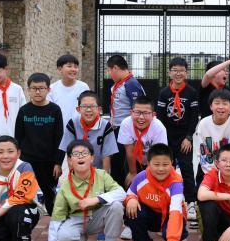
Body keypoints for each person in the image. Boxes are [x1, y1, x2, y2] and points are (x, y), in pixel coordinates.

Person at [39, 140, 126, 241]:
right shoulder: (64, 186)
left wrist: (96, 199)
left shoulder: (101, 175)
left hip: (97, 217)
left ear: (92, 158)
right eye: (75, 154)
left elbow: (121, 193)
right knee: (64, 239)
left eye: (85, 153)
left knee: (117, 206)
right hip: (77, 220)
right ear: (69, 161)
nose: (80, 156)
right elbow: (56, 219)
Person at [124, 144, 188, 241]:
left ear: (172, 163)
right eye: (156, 164)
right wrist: (131, 199)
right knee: (131, 209)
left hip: (171, 216)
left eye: (165, 164)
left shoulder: (176, 182)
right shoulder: (141, 177)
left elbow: (175, 212)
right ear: (148, 163)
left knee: (175, 223)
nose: (161, 169)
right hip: (151, 215)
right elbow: (129, 193)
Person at [156, 57, 199, 226]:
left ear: (186, 73)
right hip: (167, 138)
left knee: (187, 170)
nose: (178, 73)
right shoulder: (164, 93)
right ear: (170, 72)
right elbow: (159, 117)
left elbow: (194, 117)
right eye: (175, 70)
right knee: (166, 171)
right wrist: (162, 140)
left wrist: (189, 138)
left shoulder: (191, 93)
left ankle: (190, 204)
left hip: (184, 139)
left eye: (181, 70)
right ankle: (165, 201)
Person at [15, 73, 64, 215]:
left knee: (50, 195)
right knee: (26, 194)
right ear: (28, 90)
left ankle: (54, 226)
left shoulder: (55, 110)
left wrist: (58, 163)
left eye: (41, 88)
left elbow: (59, 138)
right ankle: (25, 222)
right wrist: (18, 162)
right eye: (34, 88)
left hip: (49, 161)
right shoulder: (24, 110)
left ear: (48, 90)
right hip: (28, 161)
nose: (37, 91)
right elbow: (18, 137)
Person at [107, 54, 145, 187]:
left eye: (109, 70)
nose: (109, 73)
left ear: (115, 68)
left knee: (124, 164)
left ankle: (126, 193)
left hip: (127, 131)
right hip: (116, 129)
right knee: (116, 163)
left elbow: (139, 109)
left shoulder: (131, 84)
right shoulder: (117, 84)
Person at [57, 90, 119, 173]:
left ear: (99, 109)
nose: (89, 110)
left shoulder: (106, 126)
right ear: (78, 109)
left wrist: (104, 179)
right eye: (84, 106)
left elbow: (106, 156)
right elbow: (70, 153)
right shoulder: (72, 124)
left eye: (93, 106)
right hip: (78, 170)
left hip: (98, 171)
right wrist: (73, 177)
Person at [118, 96, 168, 187]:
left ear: (153, 115)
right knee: (130, 184)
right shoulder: (126, 124)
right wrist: (132, 173)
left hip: (153, 160)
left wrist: (149, 176)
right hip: (133, 160)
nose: (141, 117)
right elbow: (129, 152)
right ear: (131, 113)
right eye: (137, 112)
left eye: (146, 113)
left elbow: (158, 155)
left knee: (150, 186)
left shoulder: (159, 127)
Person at [195, 88, 230, 185]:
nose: (221, 107)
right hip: (207, 171)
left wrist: (225, 174)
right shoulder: (203, 124)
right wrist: (215, 176)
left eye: (225, 103)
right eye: (217, 103)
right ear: (211, 106)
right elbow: (203, 154)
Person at [47, 54, 90, 126]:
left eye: (76, 67)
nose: (73, 69)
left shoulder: (83, 87)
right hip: (59, 130)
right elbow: (49, 112)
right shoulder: (52, 88)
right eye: (69, 66)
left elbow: (88, 108)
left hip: (79, 130)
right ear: (60, 69)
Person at [199, 48, 230, 118]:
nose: (227, 73)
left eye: (227, 71)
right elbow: (208, 75)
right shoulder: (206, 87)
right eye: (223, 70)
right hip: (208, 126)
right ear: (214, 72)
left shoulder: (228, 90)